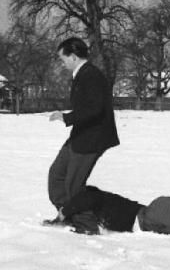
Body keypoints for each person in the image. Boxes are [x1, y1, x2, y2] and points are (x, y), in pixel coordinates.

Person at [53, 115, 170, 235]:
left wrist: (63, 213)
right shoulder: (91, 197)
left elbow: (86, 198)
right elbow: (88, 198)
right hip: (157, 209)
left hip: (153, 219)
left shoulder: (85, 200)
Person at [45, 37, 120, 234]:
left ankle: (86, 227)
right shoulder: (82, 74)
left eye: (63, 59)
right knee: (57, 176)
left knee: (73, 185)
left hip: (92, 138)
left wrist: (66, 117)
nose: (62, 63)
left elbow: (94, 109)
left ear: (74, 57)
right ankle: (67, 215)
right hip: (81, 135)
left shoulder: (91, 75)